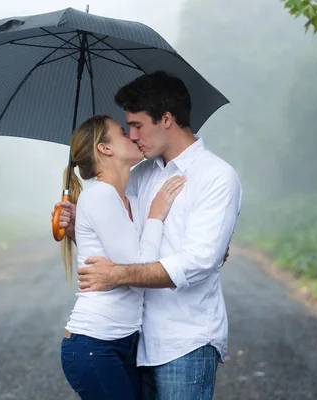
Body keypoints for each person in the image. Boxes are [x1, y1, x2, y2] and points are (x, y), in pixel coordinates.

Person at [53, 71, 243, 400]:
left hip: (185, 341)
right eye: (127, 129)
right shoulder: (141, 175)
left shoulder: (216, 176)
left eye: (137, 125)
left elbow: (199, 262)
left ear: (166, 119)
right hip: (136, 341)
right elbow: (116, 239)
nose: (133, 135)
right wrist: (77, 228)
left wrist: (117, 275)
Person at [58, 114, 187, 400]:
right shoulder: (101, 196)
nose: (132, 135)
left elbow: (131, 258)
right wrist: (156, 214)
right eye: (121, 131)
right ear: (105, 149)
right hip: (95, 345)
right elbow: (138, 271)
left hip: (121, 343)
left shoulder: (125, 198)